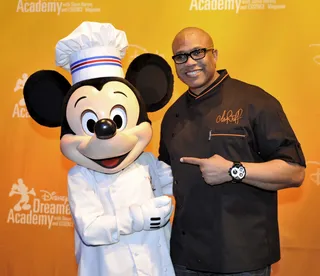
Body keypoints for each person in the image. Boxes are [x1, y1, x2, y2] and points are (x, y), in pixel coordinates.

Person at [158, 26, 306, 276]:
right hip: (186, 257)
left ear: (214, 55)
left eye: (198, 52)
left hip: (242, 257)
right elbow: (163, 175)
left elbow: (295, 172)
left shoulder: (256, 102)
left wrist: (234, 170)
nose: (190, 62)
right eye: (181, 56)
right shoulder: (172, 115)